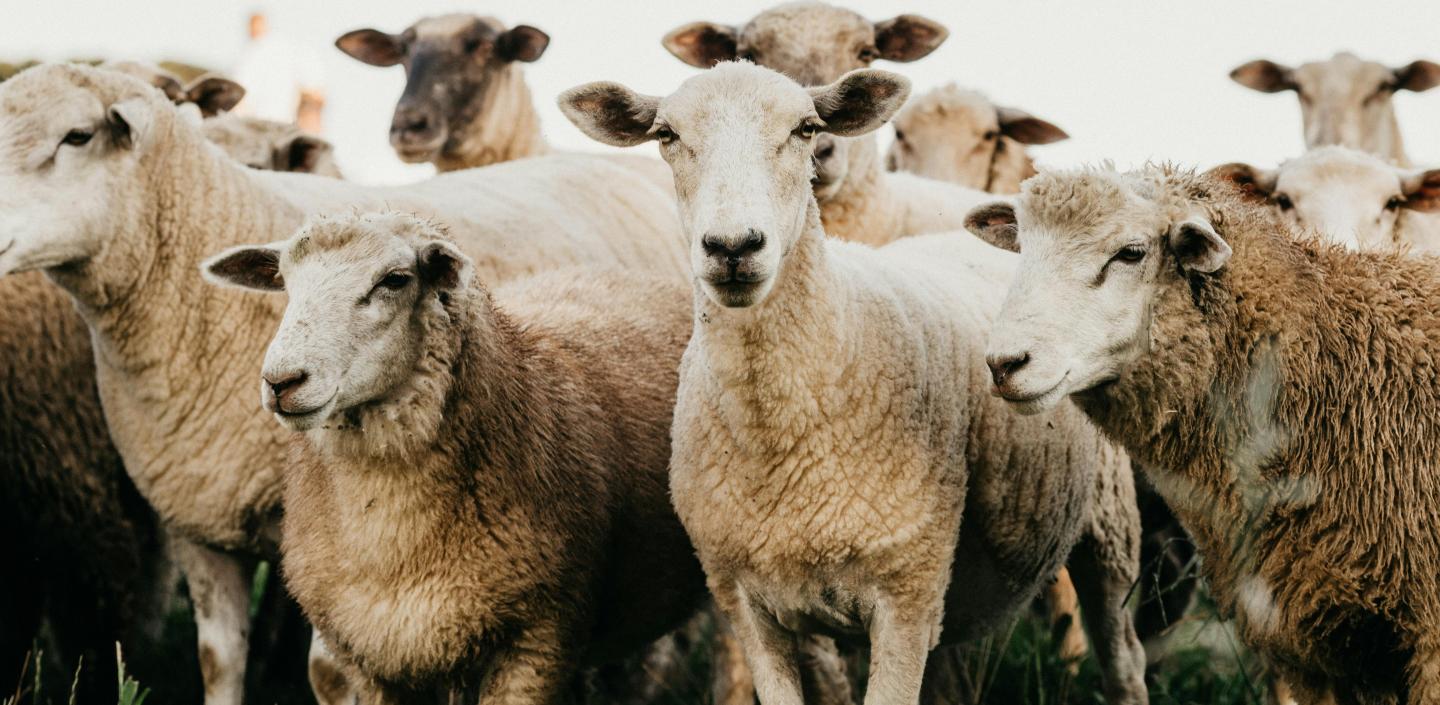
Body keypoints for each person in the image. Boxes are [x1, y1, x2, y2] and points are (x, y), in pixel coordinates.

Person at [232, 10, 326, 133]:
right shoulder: (247, 55)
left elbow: (314, 91)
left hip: (275, 121)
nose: (253, 30)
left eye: (256, 25)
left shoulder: (281, 50)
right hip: (256, 124)